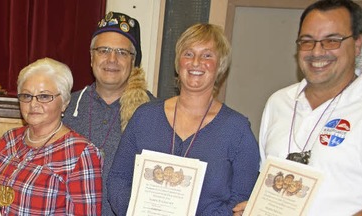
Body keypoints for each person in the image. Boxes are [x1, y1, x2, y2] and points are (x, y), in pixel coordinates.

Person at [107, 23, 260, 215]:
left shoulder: (237, 130)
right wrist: (134, 211)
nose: (196, 62)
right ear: (178, 62)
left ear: (220, 65)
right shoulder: (145, 117)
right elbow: (118, 178)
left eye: (207, 55)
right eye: (188, 53)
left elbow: (242, 198)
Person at [242, 0, 362, 215]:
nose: (317, 52)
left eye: (331, 41)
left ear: (357, 44)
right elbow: (267, 179)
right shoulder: (278, 102)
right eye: (307, 41)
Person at [0, 58, 103, 215]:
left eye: (44, 96)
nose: (33, 104)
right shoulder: (9, 139)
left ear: (64, 102)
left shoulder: (80, 153)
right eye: (26, 96)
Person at [61, 11, 158, 215]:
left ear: (134, 62)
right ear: (91, 57)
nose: (112, 59)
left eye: (122, 52)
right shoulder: (65, 106)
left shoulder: (155, 113)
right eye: (103, 50)